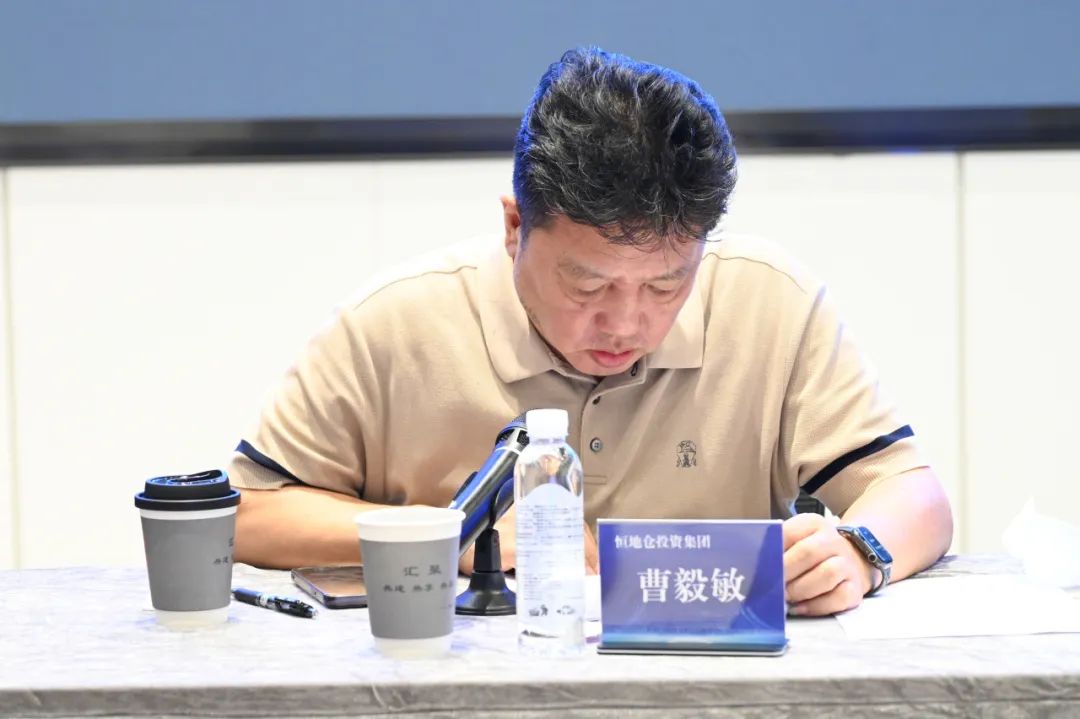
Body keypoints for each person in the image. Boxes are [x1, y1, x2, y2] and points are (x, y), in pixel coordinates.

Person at [228, 47, 952, 617]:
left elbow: (913, 493)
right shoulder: (393, 324)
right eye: (588, 284)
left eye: (665, 284)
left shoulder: (770, 302)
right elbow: (247, 514)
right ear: (515, 226)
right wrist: (454, 534)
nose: (627, 323)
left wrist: (859, 551)